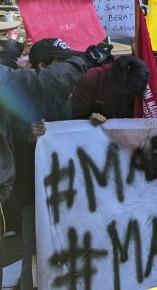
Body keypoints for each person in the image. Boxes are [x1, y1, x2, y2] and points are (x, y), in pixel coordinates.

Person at [3, 38, 111, 290]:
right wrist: (27, 135)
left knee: (65, 247)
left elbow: (65, 128)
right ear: (43, 66)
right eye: (61, 64)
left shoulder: (63, 93)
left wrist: (89, 122)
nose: (67, 71)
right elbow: (10, 138)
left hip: (64, 189)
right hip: (32, 193)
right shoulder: (17, 89)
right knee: (35, 249)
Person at [70, 55, 149, 122]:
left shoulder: (146, 79)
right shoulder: (91, 80)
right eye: (125, 93)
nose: (126, 96)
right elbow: (76, 116)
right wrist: (90, 119)